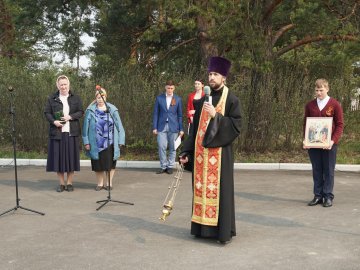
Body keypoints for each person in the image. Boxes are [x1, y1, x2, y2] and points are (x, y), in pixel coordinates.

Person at [179, 56, 242, 244]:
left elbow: (236, 126)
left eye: (216, 74)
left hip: (220, 156)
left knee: (220, 193)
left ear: (224, 77)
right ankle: (202, 230)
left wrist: (217, 116)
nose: (211, 77)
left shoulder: (231, 99)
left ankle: (222, 232)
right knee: (199, 190)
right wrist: (186, 152)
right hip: (200, 157)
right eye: (210, 74)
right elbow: (195, 130)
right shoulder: (202, 100)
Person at [303, 79, 344, 207]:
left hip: (329, 144)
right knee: (317, 169)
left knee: (328, 170)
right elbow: (306, 124)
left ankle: (328, 196)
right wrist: (305, 139)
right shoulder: (310, 105)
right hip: (314, 144)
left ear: (327, 89)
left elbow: (339, 125)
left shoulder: (335, 104)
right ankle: (318, 195)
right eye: (317, 90)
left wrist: (333, 141)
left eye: (321, 90)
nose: (319, 93)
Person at [44, 75, 83, 192]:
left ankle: (70, 183)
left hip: (71, 133)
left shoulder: (76, 98)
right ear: (57, 85)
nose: (63, 86)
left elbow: (81, 112)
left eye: (65, 84)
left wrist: (70, 117)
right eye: (61, 84)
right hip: (57, 133)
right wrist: (54, 121)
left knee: (71, 159)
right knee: (58, 159)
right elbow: (47, 113)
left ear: (69, 85)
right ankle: (61, 184)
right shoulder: (52, 98)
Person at [82, 86, 125, 191]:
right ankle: (100, 183)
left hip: (110, 142)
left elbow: (120, 126)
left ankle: (109, 183)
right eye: (98, 97)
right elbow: (85, 128)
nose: (100, 99)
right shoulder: (90, 110)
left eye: (102, 97)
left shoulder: (112, 109)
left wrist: (121, 140)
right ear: (95, 98)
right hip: (95, 143)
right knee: (98, 164)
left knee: (111, 164)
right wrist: (86, 142)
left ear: (105, 97)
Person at [152, 80, 184, 175]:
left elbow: (180, 115)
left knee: (172, 147)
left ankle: (170, 166)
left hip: (173, 126)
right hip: (161, 126)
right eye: (168, 88)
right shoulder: (159, 98)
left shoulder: (177, 99)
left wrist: (181, 129)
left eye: (171, 88)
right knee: (162, 146)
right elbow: (156, 114)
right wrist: (154, 127)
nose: (170, 90)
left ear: (174, 88)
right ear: (165, 88)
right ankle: (163, 166)